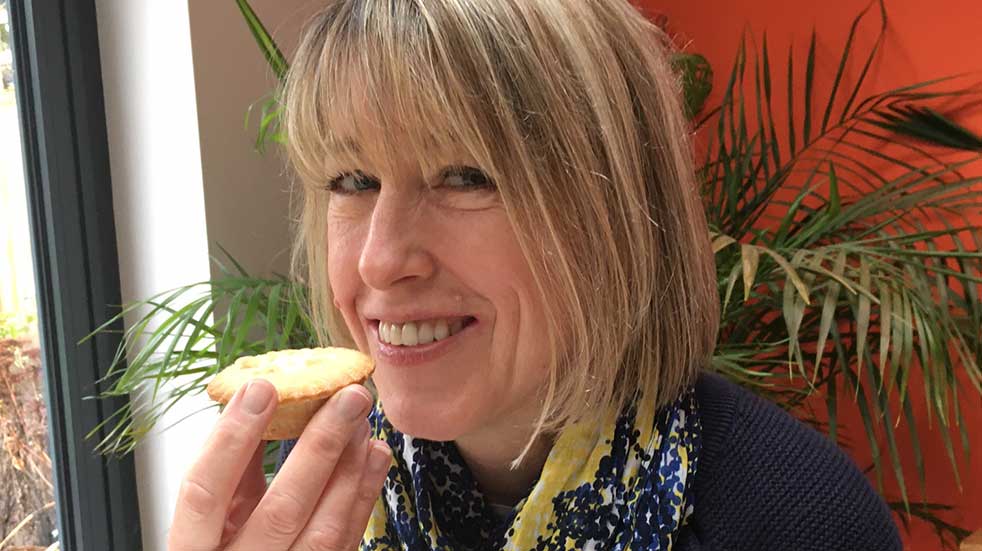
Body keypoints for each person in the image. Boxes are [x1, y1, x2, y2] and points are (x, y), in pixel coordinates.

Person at [167, 1, 902, 549]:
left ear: (614, 210)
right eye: (353, 179)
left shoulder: (802, 522)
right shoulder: (317, 490)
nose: (379, 259)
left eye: (464, 175)